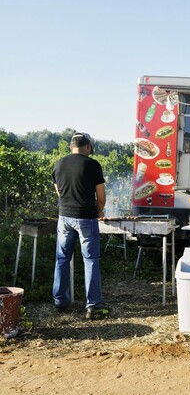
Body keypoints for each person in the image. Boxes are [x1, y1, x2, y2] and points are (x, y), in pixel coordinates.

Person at [52, 132, 109, 320]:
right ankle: (93, 306)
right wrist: (99, 211)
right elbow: (101, 197)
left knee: (62, 259)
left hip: (64, 217)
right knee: (90, 260)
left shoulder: (58, 164)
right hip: (86, 218)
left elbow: (59, 192)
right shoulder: (93, 165)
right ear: (88, 146)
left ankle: (60, 301)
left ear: (71, 146)